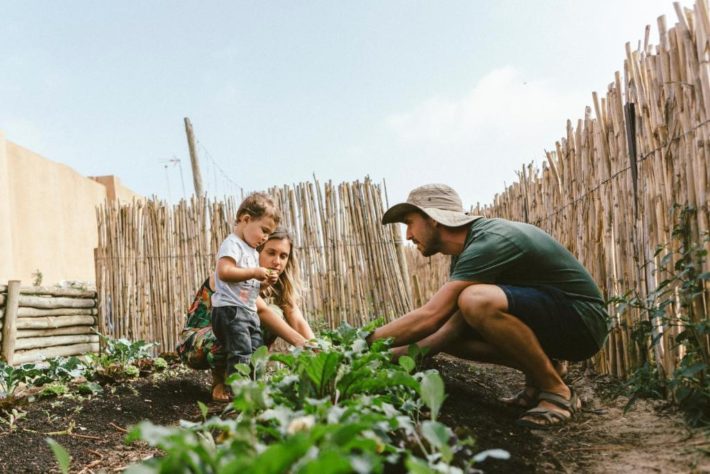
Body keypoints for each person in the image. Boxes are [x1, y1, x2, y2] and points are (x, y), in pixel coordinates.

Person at [368, 183, 609, 429]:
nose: (408, 235)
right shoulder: (467, 253)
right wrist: (375, 357)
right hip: (556, 318)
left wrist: (363, 342)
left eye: (409, 222)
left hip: (583, 323)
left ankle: (558, 392)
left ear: (434, 219)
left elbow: (430, 316)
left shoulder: (490, 241)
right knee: (457, 330)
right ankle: (546, 372)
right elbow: (445, 331)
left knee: (475, 300)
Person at [177, 226, 315, 401]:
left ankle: (248, 381)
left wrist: (317, 347)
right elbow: (263, 311)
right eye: (270, 253)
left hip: (231, 335)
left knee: (267, 319)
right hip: (196, 343)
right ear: (256, 251)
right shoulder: (236, 276)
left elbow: (296, 316)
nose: (277, 261)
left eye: (283, 256)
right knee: (258, 318)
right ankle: (221, 380)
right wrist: (299, 342)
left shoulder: (277, 282)